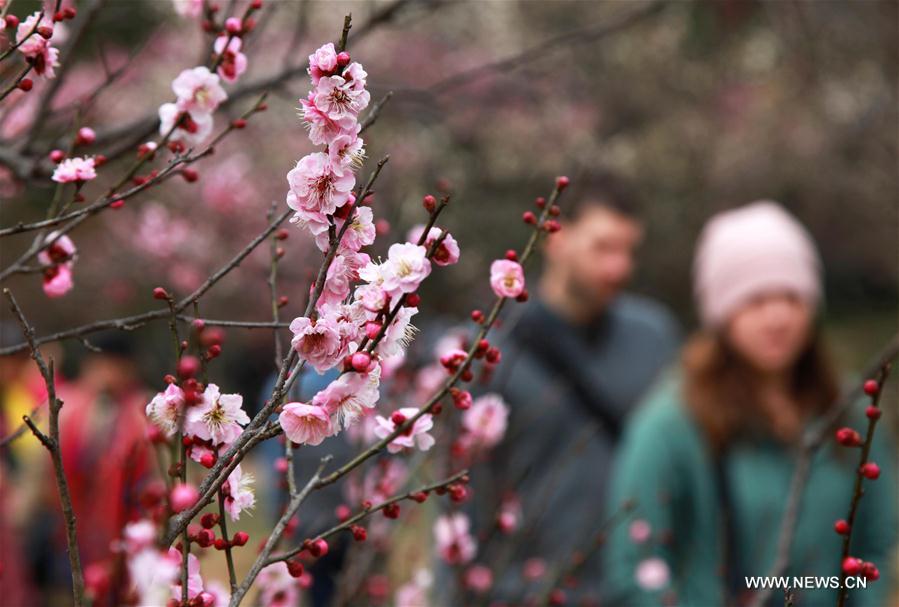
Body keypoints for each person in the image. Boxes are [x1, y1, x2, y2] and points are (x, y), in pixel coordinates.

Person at [603, 201, 897, 606]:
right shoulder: (670, 425)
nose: (778, 316)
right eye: (755, 300)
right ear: (722, 314)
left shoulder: (846, 412)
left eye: (792, 296)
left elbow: (877, 544)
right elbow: (634, 569)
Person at [469, 173, 680, 603]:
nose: (619, 267)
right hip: (526, 591)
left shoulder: (655, 337)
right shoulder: (493, 355)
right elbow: (466, 498)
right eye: (602, 247)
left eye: (628, 251)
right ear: (556, 239)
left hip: (641, 588)